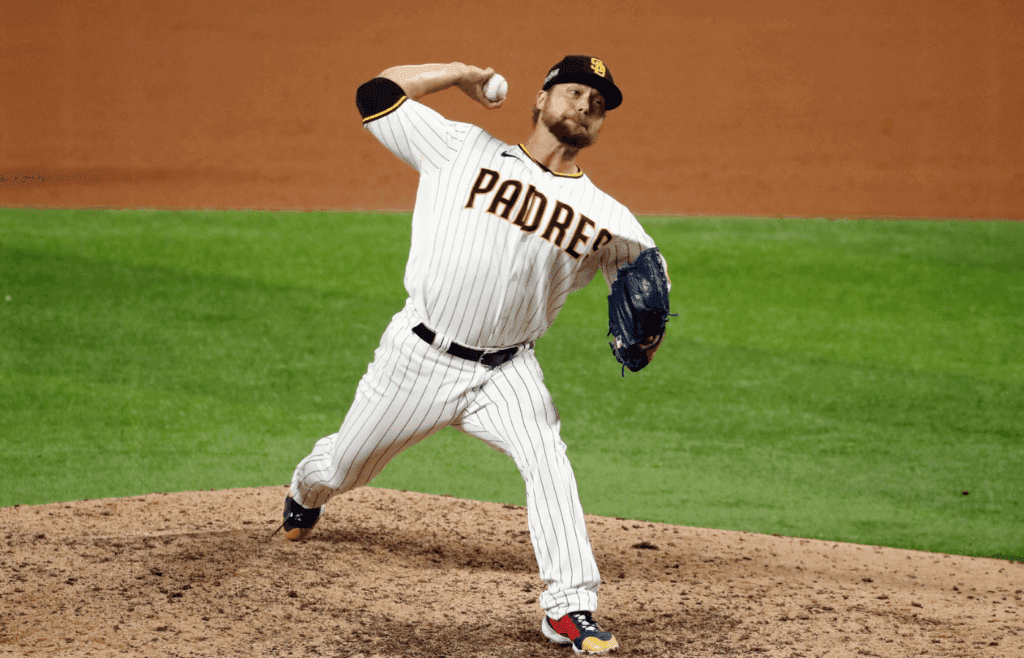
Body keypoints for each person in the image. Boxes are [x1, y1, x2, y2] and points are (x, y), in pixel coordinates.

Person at [278, 55, 668, 655]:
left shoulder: (609, 217)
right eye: (574, 92)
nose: (586, 106)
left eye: (598, 104)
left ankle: (569, 607)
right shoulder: (460, 148)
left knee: (548, 461)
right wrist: (461, 74)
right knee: (343, 469)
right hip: (418, 358)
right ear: (540, 99)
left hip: (508, 370)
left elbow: (646, 286)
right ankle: (307, 490)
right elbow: (375, 94)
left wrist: (648, 334)